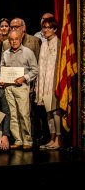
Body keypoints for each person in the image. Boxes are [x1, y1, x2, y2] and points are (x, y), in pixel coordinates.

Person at [0, 30, 38, 151]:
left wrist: (24, 78)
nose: (14, 41)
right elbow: (2, 68)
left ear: (20, 39)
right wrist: (1, 79)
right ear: (9, 40)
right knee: (13, 115)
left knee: (23, 114)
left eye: (16, 39)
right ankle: (18, 140)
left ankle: (27, 140)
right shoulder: (5, 53)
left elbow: (35, 70)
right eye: (11, 39)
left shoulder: (28, 52)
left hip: (22, 87)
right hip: (8, 87)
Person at [35, 17, 62, 150]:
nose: (45, 30)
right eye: (44, 27)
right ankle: (52, 138)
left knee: (55, 111)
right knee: (48, 112)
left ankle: (59, 138)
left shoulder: (58, 43)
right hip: (44, 82)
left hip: (53, 83)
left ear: (55, 29)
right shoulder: (44, 43)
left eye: (48, 27)